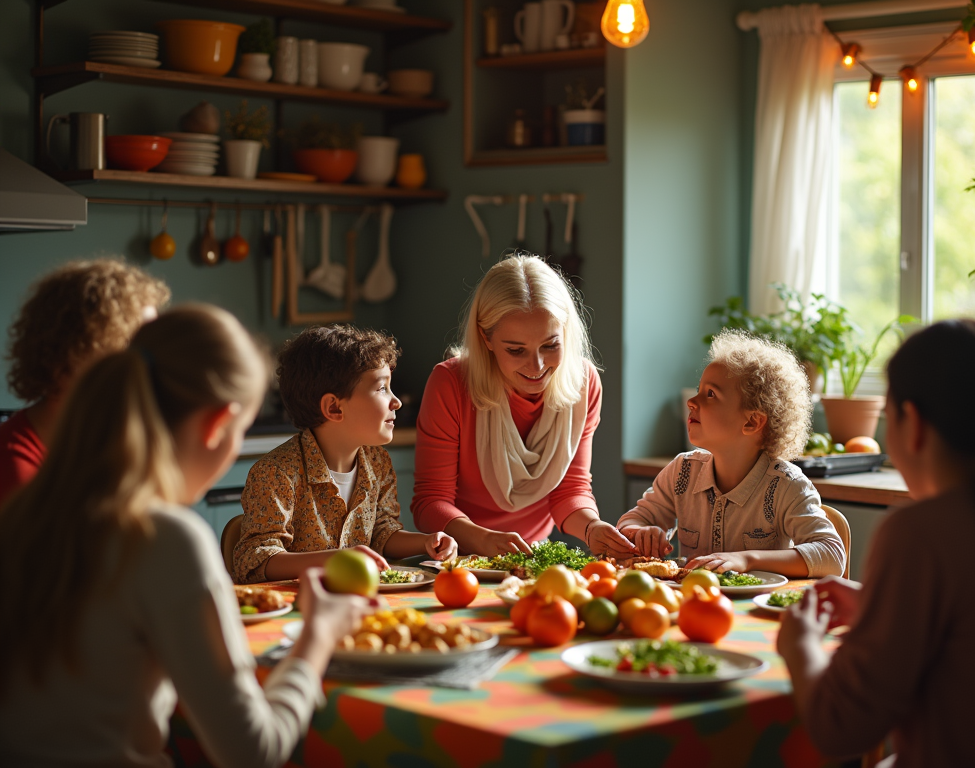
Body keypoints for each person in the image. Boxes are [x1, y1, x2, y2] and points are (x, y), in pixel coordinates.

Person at [0, 305, 370, 768]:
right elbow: (251, 753)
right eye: (241, 431)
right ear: (218, 424)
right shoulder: (165, 539)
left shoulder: (23, 513)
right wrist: (317, 636)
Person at [777, 319, 975, 767]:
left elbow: (840, 726)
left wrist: (800, 643)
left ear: (912, 422)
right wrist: (880, 603)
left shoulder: (920, 534)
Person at [412, 253, 635, 557]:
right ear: (485, 338)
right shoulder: (451, 383)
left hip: (531, 553)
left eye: (550, 345)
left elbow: (570, 489)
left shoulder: (584, 383)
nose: (537, 365)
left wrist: (592, 528)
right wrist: (483, 540)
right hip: (456, 556)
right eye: (516, 350)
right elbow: (430, 502)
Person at [234, 324, 457, 584]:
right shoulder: (277, 473)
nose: (396, 401)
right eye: (382, 388)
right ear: (334, 408)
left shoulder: (378, 463)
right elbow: (255, 559)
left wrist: (428, 541)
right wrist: (337, 559)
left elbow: (382, 533)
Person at [617, 330, 845, 577]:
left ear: (752, 422)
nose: (692, 401)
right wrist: (639, 531)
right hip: (697, 605)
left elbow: (832, 555)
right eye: (698, 389)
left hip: (757, 610)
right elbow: (629, 523)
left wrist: (747, 559)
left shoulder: (788, 486)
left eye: (710, 394)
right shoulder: (682, 471)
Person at [0, 259, 170, 506]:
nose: (150, 367)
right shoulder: (15, 468)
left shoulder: (113, 443)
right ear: (68, 359)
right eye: (136, 351)